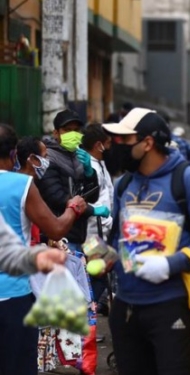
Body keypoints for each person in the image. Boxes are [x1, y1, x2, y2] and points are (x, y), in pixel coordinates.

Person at [103, 107, 190, 375]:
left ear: (147, 143)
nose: (117, 146)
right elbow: (118, 238)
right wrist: (104, 256)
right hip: (125, 306)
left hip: (170, 304)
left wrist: (170, 264)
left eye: (124, 140)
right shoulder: (123, 184)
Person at [0, 126, 87, 375]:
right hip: (12, 297)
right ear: (14, 153)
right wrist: (75, 207)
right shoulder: (22, 185)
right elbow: (57, 229)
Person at [37, 109, 105, 253]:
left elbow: (92, 196)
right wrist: (92, 210)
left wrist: (89, 173)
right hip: (57, 236)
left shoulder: (79, 156)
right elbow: (57, 198)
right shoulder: (48, 158)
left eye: (76, 130)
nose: (72, 134)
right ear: (56, 133)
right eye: (67, 130)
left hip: (78, 234)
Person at [81, 124, 114, 241]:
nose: (111, 147)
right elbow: (96, 202)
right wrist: (112, 224)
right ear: (98, 146)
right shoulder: (90, 168)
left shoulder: (101, 164)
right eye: (108, 143)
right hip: (95, 234)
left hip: (105, 231)